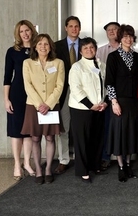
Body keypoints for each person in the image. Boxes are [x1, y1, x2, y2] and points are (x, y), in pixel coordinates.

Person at [21, 34, 65, 184]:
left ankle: (48, 170)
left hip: (51, 105)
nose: (43, 47)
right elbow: (28, 86)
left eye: (46, 44)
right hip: (33, 106)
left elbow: (60, 86)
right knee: (35, 138)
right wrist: (40, 104)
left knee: (50, 137)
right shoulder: (27, 63)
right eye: (40, 44)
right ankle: (39, 170)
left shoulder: (58, 63)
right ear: (35, 46)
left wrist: (48, 103)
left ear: (50, 46)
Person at [105, 24, 138, 182]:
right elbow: (109, 82)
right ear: (120, 39)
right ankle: (121, 166)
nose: (128, 39)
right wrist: (114, 102)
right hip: (119, 102)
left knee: (131, 134)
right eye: (125, 36)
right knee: (120, 134)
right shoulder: (113, 57)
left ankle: (128, 164)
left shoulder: (136, 57)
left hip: (134, 102)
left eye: (130, 36)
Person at [68, 37, 108, 183]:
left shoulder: (101, 65)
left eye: (91, 47)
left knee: (97, 138)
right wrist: (90, 105)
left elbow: (105, 86)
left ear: (95, 49)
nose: (89, 50)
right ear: (80, 51)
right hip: (81, 109)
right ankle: (82, 170)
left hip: (99, 108)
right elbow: (76, 89)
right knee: (82, 140)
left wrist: (105, 103)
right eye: (85, 48)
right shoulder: (77, 67)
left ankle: (95, 165)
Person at [4, 20, 38, 180]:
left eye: (27, 30)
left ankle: (27, 163)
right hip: (17, 94)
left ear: (32, 31)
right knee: (16, 131)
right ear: (18, 34)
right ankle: (17, 164)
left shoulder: (38, 49)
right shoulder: (12, 51)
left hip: (34, 95)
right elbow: (7, 77)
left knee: (29, 131)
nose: (25, 34)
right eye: (21, 31)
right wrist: (6, 99)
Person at [54, 16, 82, 175]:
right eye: (71, 26)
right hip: (63, 92)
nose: (73, 29)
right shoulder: (57, 46)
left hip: (81, 92)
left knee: (80, 127)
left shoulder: (86, 45)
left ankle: (80, 157)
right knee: (63, 127)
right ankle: (64, 160)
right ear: (66, 28)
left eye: (76, 26)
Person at [96, 21, 120, 171]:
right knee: (105, 126)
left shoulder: (128, 49)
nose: (111, 32)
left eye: (115, 29)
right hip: (105, 95)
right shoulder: (100, 51)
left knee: (119, 126)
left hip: (123, 95)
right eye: (109, 30)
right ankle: (105, 157)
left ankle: (121, 156)